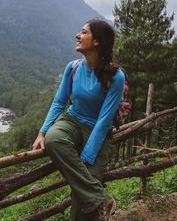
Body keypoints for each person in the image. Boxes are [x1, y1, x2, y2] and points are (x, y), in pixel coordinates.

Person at [32, 19, 125, 221]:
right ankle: (102, 200)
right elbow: (60, 102)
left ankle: (94, 201)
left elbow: (104, 120)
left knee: (81, 196)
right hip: (72, 120)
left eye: (83, 32)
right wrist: (42, 132)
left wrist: (88, 155)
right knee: (54, 139)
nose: (77, 35)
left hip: (98, 131)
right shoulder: (73, 68)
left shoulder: (116, 77)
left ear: (97, 41)